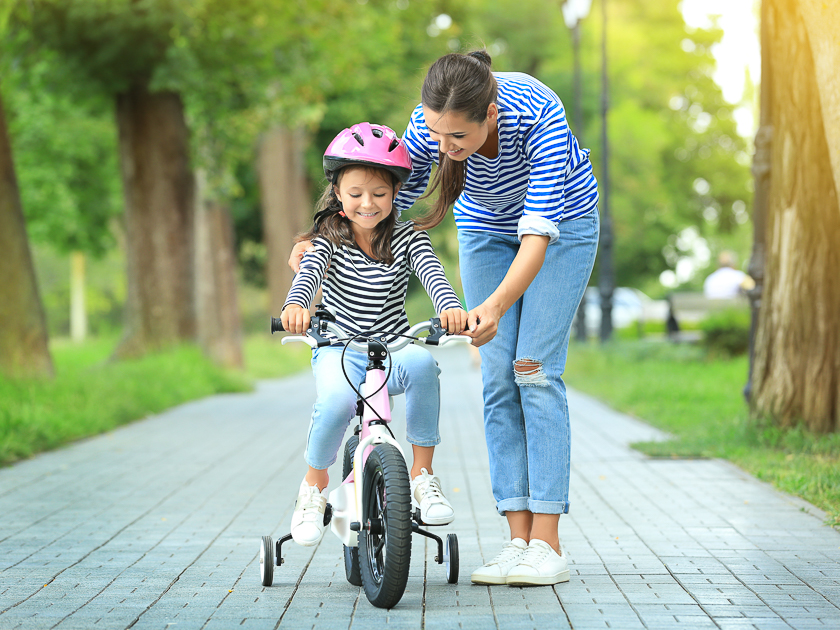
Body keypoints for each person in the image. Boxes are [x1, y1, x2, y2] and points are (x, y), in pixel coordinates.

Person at [291, 51, 599, 586]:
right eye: (435, 133)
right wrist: (317, 238)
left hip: (560, 229)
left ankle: (547, 543)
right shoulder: (429, 124)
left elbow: (537, 233)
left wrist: (493, 308)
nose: (443, 148)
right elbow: (382, 197)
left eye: (457, 137)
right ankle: (516, 541)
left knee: (533, 371)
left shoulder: (538, 113)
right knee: (498, 380)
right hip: (483, 229)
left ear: (492, 114)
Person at [281, 122, 469, 547]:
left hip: (392, 346)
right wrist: (296, 306)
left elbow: (432, 275)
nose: (368, 204)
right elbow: (309, 275)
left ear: (396, 193)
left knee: (423, 365)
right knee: (335, 400)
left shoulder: (407, 237)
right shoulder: (328, 239)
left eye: (380, 194)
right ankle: (312, 486)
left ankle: (422, 475)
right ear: (338, 196)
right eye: (356, 194)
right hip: (337, 345)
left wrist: (450, 308)